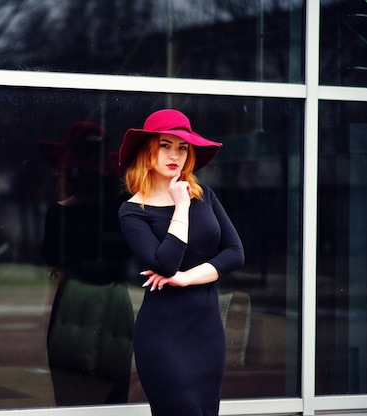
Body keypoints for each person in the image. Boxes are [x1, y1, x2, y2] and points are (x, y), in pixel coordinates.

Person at [117, 109, 244, 415]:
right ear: (149, 150)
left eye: (183, 147)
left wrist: (187, 278)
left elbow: (235, 252)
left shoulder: (207, 197)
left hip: (207, 334)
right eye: (165, 145)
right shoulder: (132, 211)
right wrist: (181, 206)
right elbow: (165, 265)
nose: (175, 155)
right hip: (162, 338)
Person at [39, 121, 134, 405]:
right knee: (113, 396)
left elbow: (51, 258)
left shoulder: (59, 215)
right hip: (115, 302)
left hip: (74, 303)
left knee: (69, 395)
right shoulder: (124, 209)